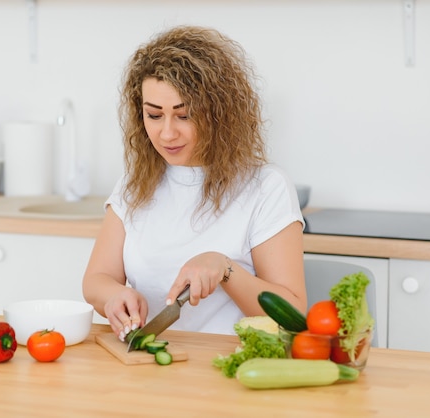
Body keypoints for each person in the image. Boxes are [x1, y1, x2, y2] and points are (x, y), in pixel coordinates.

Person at [82, 25, 306, 342]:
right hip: (151, 369)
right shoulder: (136, 184)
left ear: (219, 113)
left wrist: (225, 269)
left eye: (184, 115)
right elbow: (96, 280)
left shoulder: (266, 187)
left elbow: (294, 315)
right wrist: (113, 296)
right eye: (154, 115)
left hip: (233, 368)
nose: (167, 133)